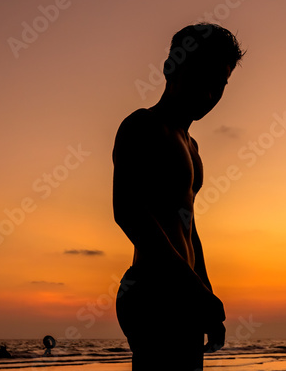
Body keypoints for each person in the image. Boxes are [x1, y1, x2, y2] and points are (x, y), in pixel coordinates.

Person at [113, 23, 245, 370]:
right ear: (172, 66)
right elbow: (128, 212)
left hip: (185, 293)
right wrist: (194, 289)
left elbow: (189, 227)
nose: (212, 91)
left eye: (222, 83)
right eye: (205, 75)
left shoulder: (192, 146)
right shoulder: (142, 126)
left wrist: (206, 293)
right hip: (152, 289)